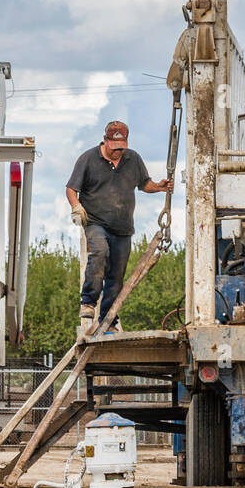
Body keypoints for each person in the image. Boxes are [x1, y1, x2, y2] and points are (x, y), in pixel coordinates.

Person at [65, 121, 172, 332]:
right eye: (114, 148)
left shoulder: (133, 159)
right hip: (95, 221)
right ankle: (88, 301)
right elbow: (71, 188)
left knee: (116, 274)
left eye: (121, 148)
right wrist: (76, 206)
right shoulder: (88, 159)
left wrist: (159, 187)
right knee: (99, 252)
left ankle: (109, 319)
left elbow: (144, 184)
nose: (117, 152)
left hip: (123, 227)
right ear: (105, 141)